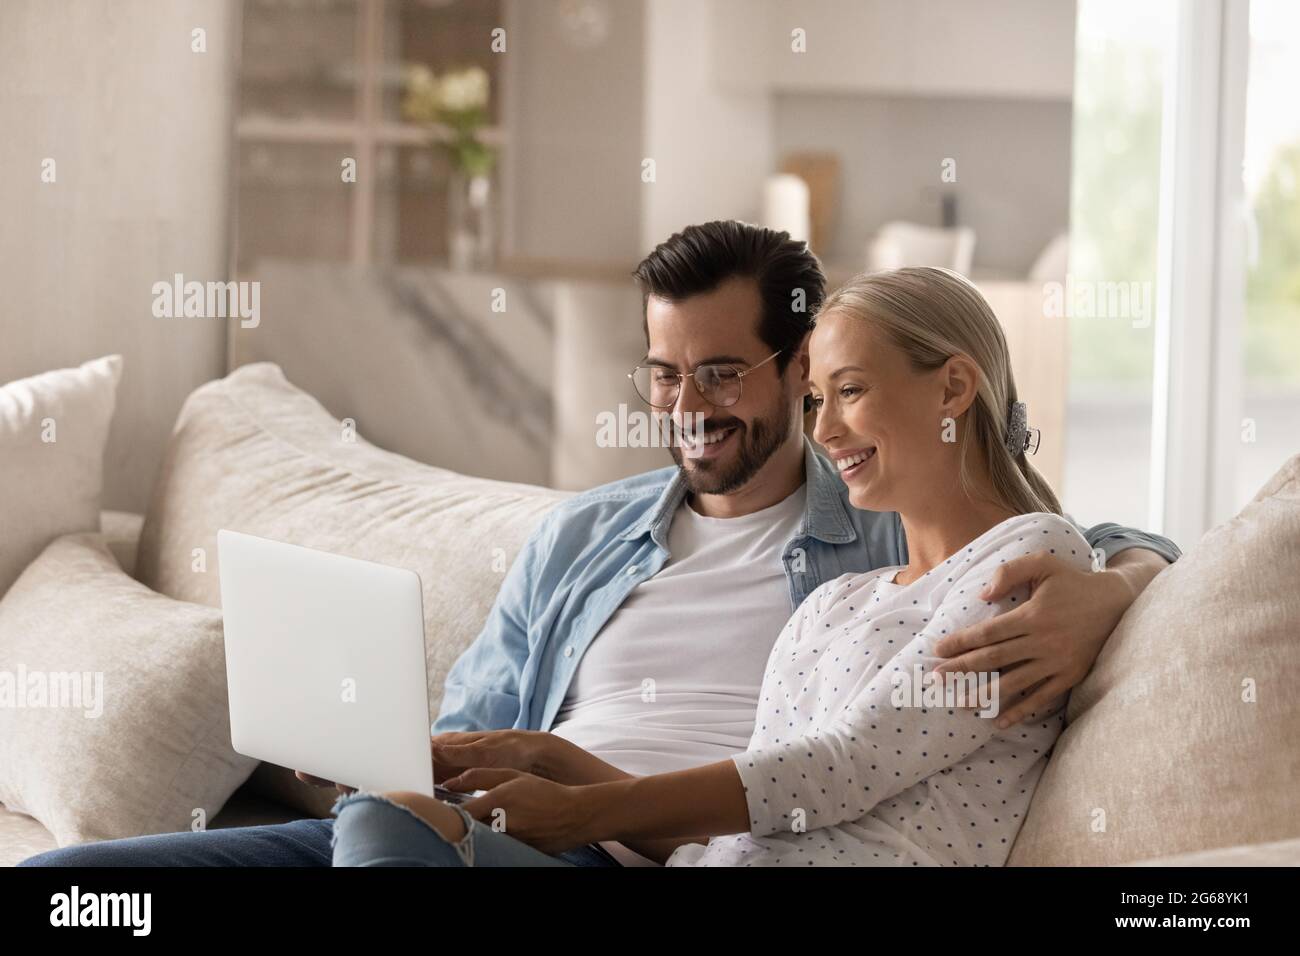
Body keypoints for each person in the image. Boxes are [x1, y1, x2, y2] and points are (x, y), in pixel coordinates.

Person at [20, 223, 1178, 868]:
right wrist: (385, 757)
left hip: (608, 855)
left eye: (723, 372)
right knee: (73, 891)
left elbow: (1074, 536)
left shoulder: (882, 516)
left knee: (387, 837)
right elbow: (466, 736)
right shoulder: (590, 535)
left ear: (790, 363)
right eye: (666, 374)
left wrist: (1108, 588)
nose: (689, 405)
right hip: (480, 831)